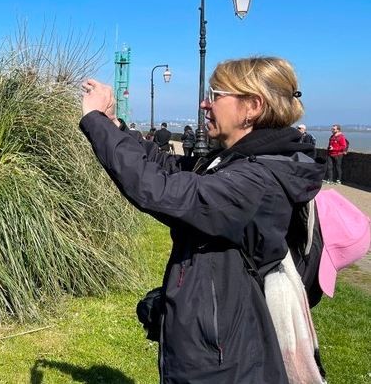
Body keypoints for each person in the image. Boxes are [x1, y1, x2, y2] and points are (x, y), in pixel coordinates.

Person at [79, 56, 323, 383]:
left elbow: (162, 191)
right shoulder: (235, 161)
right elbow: (166, 167)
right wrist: (113, 125)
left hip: (222, 359)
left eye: (217, 94)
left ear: (252, 105)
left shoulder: (257, 180)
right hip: (212, 338)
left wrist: (94, 120)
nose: (205, 103)